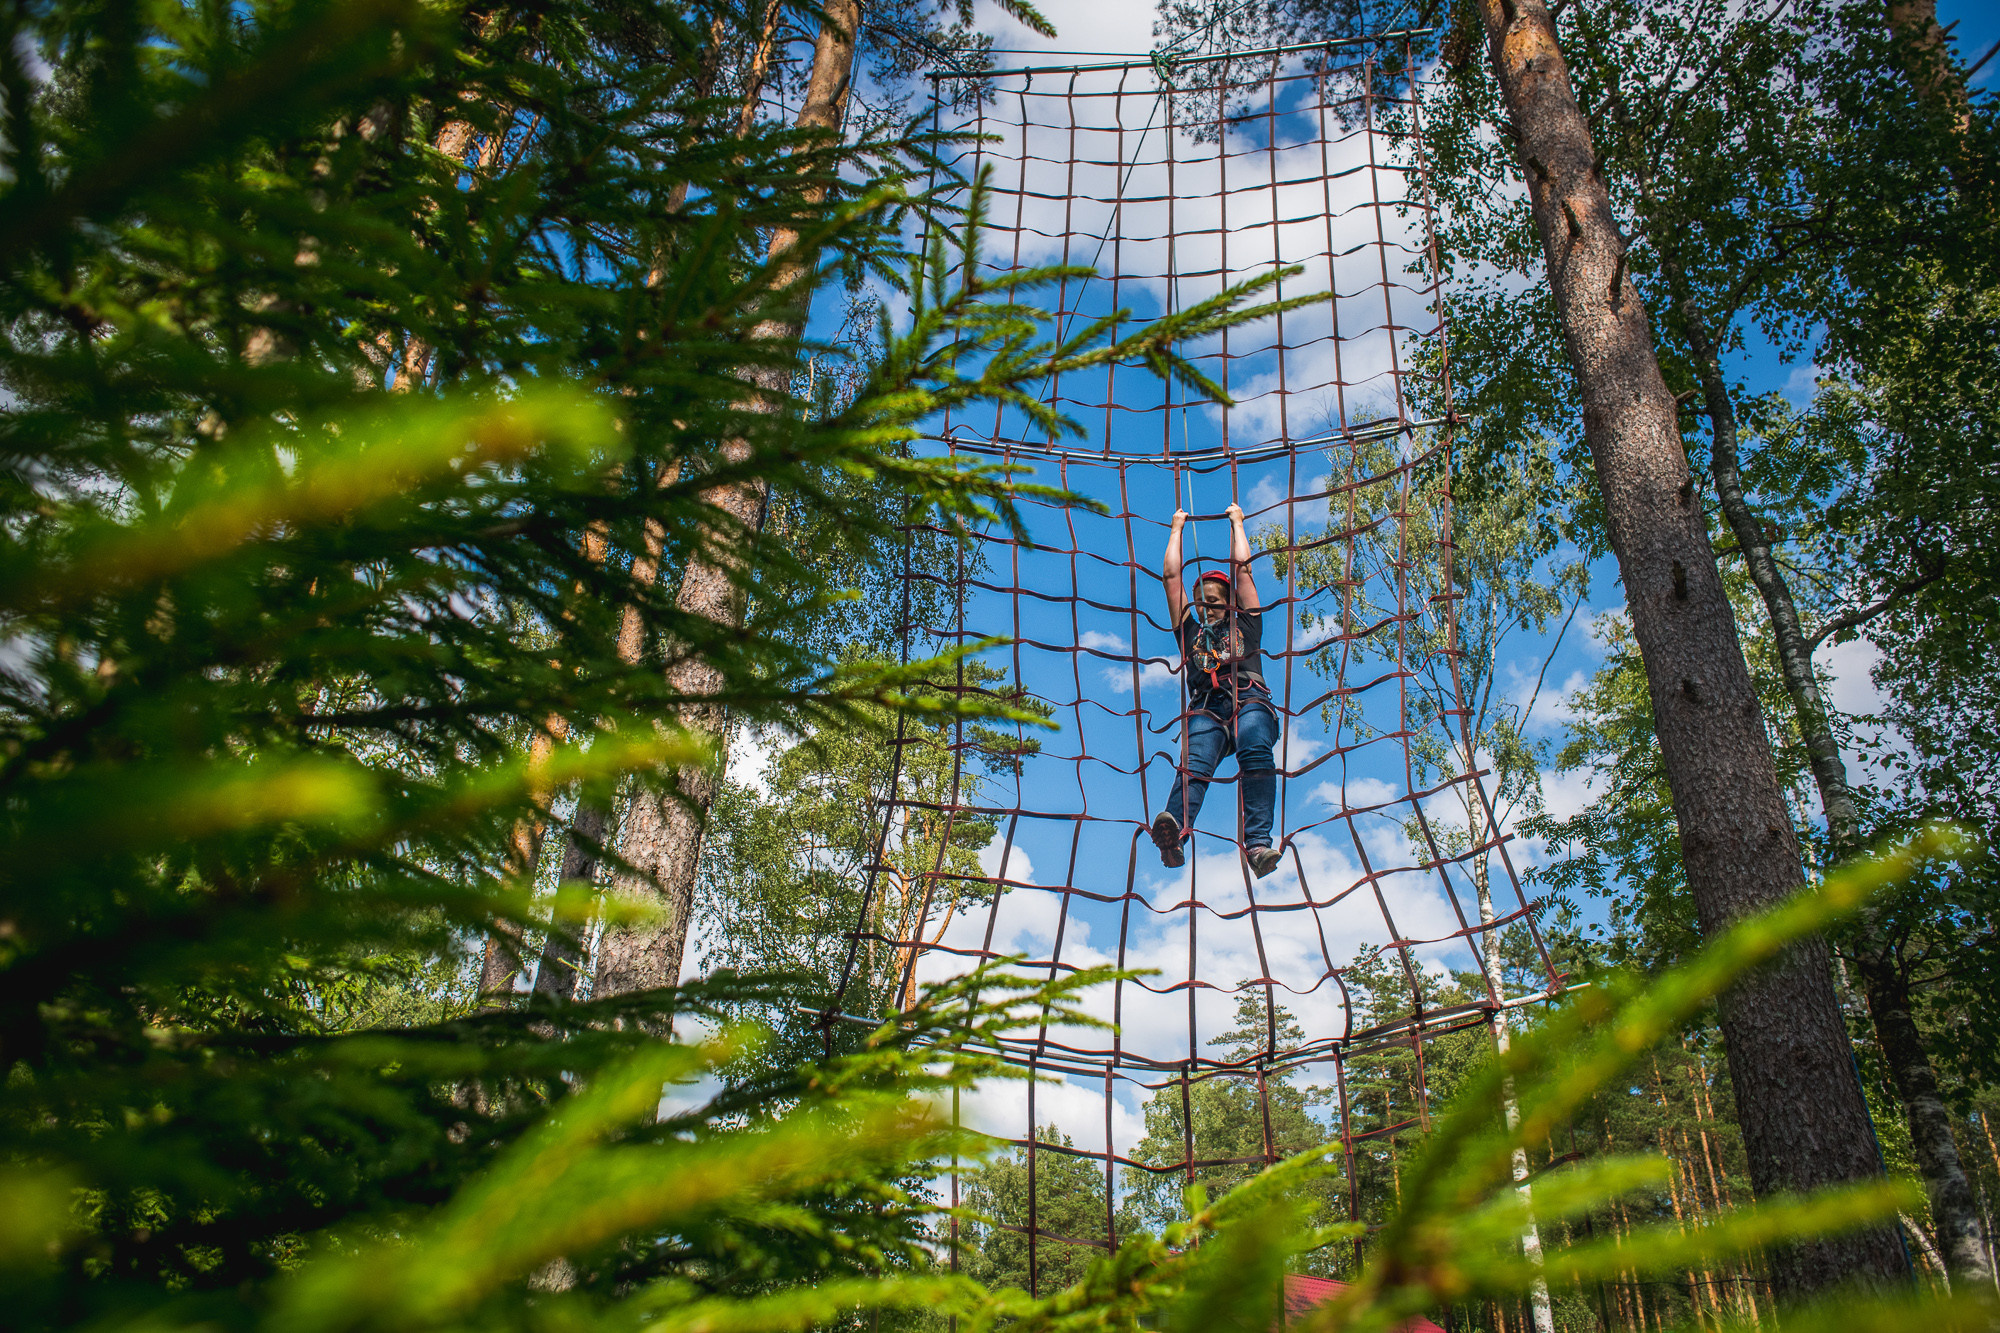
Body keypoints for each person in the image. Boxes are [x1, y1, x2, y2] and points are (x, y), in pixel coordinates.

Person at [1151, 501, 1282, 878]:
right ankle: (1173, 834)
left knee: (1255, 748)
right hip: (1206, 706)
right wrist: (1176, 527)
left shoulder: (1248, 626)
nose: (1206, 608)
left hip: (1249, 699)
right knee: (1193, 766)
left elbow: (1243, 572)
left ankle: (1257, 845)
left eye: (1213, 601)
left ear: (1228, 604)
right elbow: (1171, 578)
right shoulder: (1190, 633)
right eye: (1201, 602)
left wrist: (1237, 523)